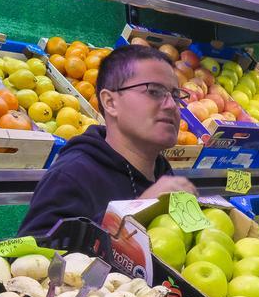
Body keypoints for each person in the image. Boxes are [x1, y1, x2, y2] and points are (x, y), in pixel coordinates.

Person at [19, 44, 197, 235]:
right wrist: (136, 212)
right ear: (110, 102)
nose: (171, 105)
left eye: (176, 96)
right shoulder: (72, 175)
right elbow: (30, 260)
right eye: (154, 91)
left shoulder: (163, 171)